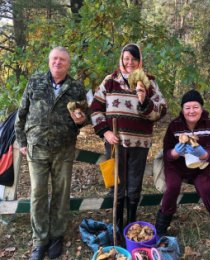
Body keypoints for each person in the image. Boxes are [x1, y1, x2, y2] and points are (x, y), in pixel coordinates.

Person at [14, 46, 88, 260]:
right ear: (49, 61)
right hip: (36, 148)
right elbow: (21, 113)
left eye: (62, 60)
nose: (58, 62)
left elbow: (84, 117)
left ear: (68, 64)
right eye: (55, 59)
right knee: (38, 193)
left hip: (63, 149)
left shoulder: (76, 87)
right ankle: (40, 240)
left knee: (61, 193)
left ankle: (56, 236)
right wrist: (22, 141)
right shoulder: (35, 81)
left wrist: (81, 120)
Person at [91, 43, 167, 232]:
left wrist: (144, 102)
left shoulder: (149, 82)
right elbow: (95, 108)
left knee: (134, 184)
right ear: (121, 59)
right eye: (126, 58)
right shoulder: (110, 81)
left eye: (133, 58)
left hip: (140, 143)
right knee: (117, 183)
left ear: (139, 60)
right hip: (115, 142)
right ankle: (117, 223)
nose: (130, 62)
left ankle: (131, 222)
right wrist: (105, 132)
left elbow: (161, 109)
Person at [155, 89, 210, 252]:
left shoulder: (209, 124)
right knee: (172, 187)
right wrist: (175, 152)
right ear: (182, 109)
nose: (191, 111)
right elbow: (166, 153)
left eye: (195, 107)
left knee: (206, 187)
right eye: (187, 107)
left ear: (201, 108)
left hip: (200, 165)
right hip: (176, 165)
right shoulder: (174, 125)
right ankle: (161, 228)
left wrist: (203, 154)